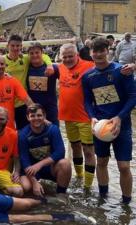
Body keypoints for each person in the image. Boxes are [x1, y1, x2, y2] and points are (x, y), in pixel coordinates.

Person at [82, 37, 136, 204]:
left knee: (124, 166)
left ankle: (126, 204)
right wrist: (92, 118)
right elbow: (87, 101)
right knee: (102, 161)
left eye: (101, 50)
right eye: (95, 51)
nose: (98, 54)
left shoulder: (122, 71)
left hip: (122, 125)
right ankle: (103, 197)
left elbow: (133, 96)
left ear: (108, 50)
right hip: (101, 127)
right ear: (90, 53)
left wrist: (119, 117)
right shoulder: (87, 77)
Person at [0, 35, 54, 129]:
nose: (15, 48)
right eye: (13, 46)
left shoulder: (25, 59)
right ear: (7, 46)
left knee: (23, 131)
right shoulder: (0, 61)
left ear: (21, 46)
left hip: (21, 102)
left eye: (18, 46)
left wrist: (49, 65)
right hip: (6, 102)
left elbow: (43, 55)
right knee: (4, 130)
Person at [58, 43, 96, 189]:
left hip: (86, 117)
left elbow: (107, 67)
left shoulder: (89, 66)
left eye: (70, 56)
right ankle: (79, 177)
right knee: (75, 147)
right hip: (68, 117)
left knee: (88, 151)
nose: (67, 59)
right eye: (64, 57)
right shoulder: (60, 67)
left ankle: (88, 186)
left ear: (77, 55)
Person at [19, 104, 72, 196]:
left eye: (39, 115)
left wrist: (40, 164)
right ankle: (37, 198)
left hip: (48, 167)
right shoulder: (23, 134)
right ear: (28, 117)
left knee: (65, 164)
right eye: (32, 116)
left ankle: (61, 194)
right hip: (31, 170)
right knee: (26, 187)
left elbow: (60, 152)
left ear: (44, 116)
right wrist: (34, 182)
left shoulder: (53, 129)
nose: (36, 118)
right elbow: (24, 161)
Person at [0, 55, 33, 130]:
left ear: (5, 66)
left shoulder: (12, 81)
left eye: (2, 64)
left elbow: (27, 100)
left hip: (8, 127)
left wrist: (38, 113)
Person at [26, 42, 60, 125]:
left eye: (37, 52)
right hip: (33, 109)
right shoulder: (26, 69)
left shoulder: (53, 68)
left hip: (50, 108)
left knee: (53, 130)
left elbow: (66, 79)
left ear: (42, 53)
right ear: (28, 55)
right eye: (31, 53)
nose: (34, 55)